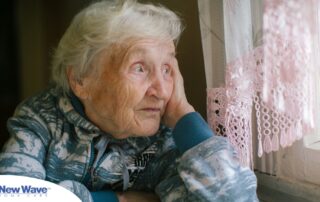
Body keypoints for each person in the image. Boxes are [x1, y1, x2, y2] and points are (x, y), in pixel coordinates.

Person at [0, 0, 258, 201]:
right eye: (139, 68)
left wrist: (184, 114)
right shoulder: (43, 119)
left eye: (167, 69)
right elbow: (12, 195)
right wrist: (115, 199)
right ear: (81, 80)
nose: (161, 91)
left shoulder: (163, 140)